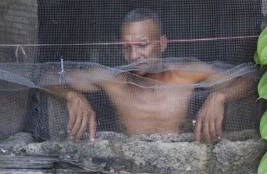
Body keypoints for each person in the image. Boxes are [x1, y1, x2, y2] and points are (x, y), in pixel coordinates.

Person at [44, 9, 251, 143]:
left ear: (162, 43)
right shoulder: (113, 80)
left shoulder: (186, 73)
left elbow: (251, 78)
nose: (134, 56)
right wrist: (72, 96)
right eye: (127, 48)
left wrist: (219, 97)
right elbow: (46, 77)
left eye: (142, 45)